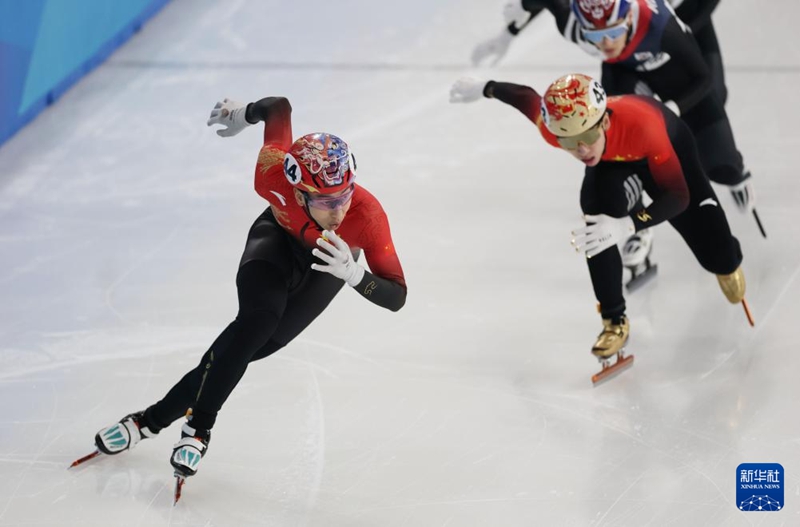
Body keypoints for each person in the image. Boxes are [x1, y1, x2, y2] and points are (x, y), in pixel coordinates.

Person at [88, 96, 407, 484]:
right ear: (299, 190)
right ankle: (199, 429)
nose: (339, 212)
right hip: (275, 240)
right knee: (255, 325)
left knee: (247, 348)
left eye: (344, 195)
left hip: (331, 264)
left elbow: (397, 296)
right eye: (326, 202)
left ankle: (146, 422)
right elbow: (279, 108)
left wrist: (355, 274)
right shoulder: (271, 173)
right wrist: (243, 115)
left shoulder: (367, 217)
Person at [449, 73, 751, 382]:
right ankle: (614, 321)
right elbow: (525, 97)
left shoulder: (644, 126)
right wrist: (485, 88)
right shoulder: (555, 126)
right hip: (613, 162)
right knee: (595, 212)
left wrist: (630, 225)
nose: (581, 150)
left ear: (603, 122)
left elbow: (679, 196)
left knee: (720, 258)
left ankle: (723, 258)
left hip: (662, 148)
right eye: (568, 142)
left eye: (587, 137)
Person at [470, 0, 759, 227]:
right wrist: (508, 34)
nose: (604, 42)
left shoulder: (660, 24)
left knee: (718, 149)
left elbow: (702, 78)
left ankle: (732, 170)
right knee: (608, 136)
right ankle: (627, 211)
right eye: (594, 34)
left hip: (680, 39)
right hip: (623, 67)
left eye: (611, 31)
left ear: (629, 17)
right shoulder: (573, 22)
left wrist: (673, 109)